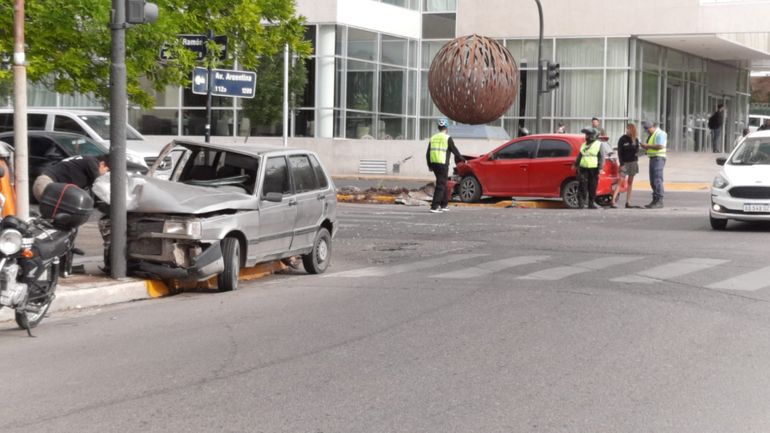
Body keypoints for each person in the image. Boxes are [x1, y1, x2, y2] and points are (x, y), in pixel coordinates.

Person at [32, 154, 110, 201]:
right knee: (64, 215)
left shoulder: (87, 160)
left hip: (46, 183)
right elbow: (100, 184)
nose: (105, 173)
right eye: (107, 170)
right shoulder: (92, 162)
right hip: (47, 184)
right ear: (102, 164)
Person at [426, 118, 464, 213]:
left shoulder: (433, 138)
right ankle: (434, 206)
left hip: (434, 164)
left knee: (443, 183)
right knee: (441, 184)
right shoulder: (447, 138)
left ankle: (444, 205)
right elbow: (455, 150)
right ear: (446, 128)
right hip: (442, 164)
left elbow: (428, 153)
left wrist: (429, 165)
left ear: (438, 127)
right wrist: (463, 160)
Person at [571, 127, 603, 209]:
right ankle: (581, 203)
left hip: (594, 169)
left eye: (588, 134)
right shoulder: (584, 144)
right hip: (583, 168)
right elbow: (580, 155)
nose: (586, 136)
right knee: (582, 186)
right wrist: (575, 164)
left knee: (592, 186)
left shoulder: (598, 144)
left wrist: (600, 167)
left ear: (593, 135)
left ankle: (591, 203)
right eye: (586, 135)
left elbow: (601, 157)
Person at [610, 123, 640, 208]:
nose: (627, 130)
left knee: (630, 182)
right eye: (627, 129)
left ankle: (628, 202)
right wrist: (621, 164)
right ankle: (613, 201)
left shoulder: (635, 139)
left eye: (629, 129)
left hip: (633, 163)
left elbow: (637, 151)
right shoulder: (622, 139)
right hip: (625, 163)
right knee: (620, 181)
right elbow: (620, 152)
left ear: (633, 130)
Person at [640, 121, 667, 209]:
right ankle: (655, 200)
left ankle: (659, 200)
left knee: (657, 179)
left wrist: (647, 146)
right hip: (653, 158)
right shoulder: (653, 134)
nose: (647, 131)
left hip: (658, 158)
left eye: (648, 129)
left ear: (652, 127)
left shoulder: (660, 133)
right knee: (653, 180)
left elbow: (660, 146)